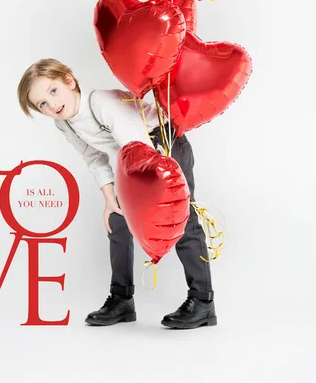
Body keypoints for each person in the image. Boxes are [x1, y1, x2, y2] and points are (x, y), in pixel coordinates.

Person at [17, 58, 216, 329]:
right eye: (42, 104)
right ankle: (122, 300)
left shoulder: (99, 102)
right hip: (132, 161)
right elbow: (94, 158)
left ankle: (203, 302)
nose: (51, 105)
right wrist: (110, 200)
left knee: (182, 220)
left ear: (69, 81)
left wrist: (154, 191)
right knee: (117, 221)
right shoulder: (64, 123)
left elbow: (136, 142)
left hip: (162, 146)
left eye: (53, 91)